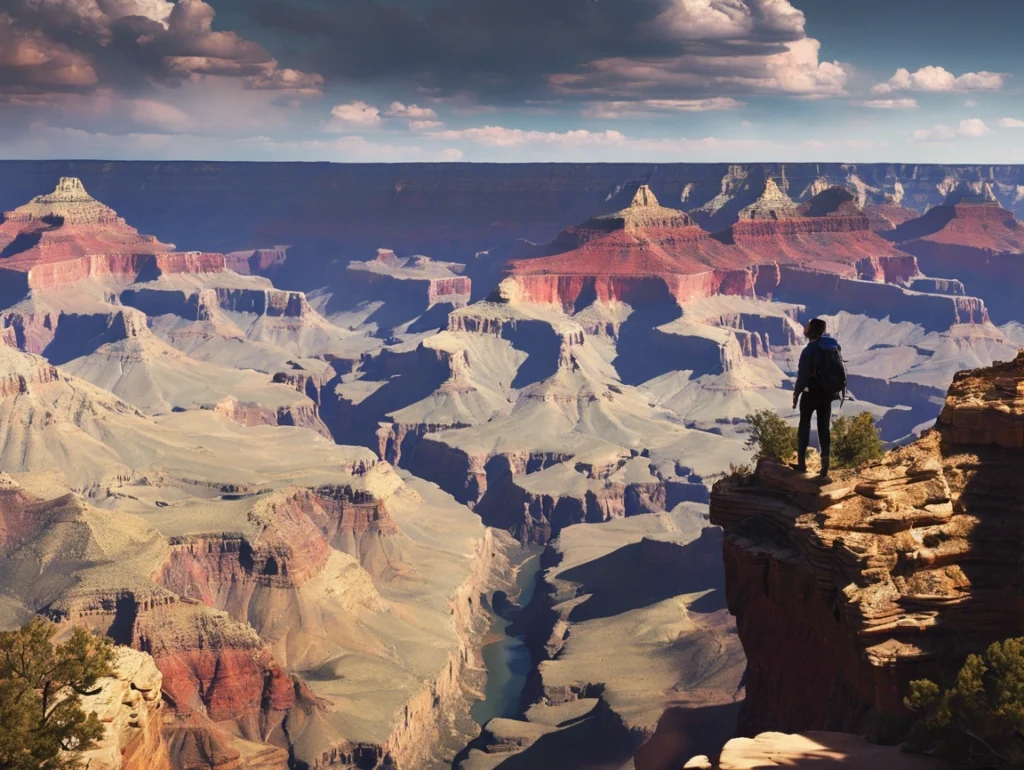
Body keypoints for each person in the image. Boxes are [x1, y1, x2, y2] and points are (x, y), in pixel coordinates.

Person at [792, 317, 843, 480]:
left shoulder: (809, 350)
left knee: (804, 425)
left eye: (807, 326)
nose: (804, 327)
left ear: (811, 331)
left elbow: (803, 376)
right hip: (827, 394)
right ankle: (824, 468)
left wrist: (796, 394)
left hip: (811, 393)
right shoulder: (833, 346)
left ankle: (801, 464)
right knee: (824, 428)